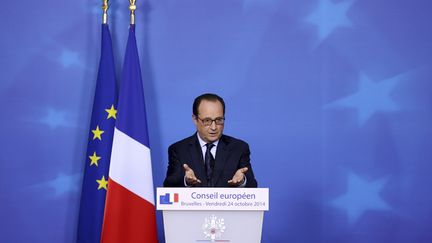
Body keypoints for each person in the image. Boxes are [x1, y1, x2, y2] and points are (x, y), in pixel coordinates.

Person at [163, 93, 257, 187]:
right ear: (195, 119)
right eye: (207, 121)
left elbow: (253, 185)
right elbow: (168, 185)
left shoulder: (239, 148)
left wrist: (242, 181)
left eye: (219, 120)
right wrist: (186, 181)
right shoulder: (178, 150)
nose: (213, 127)